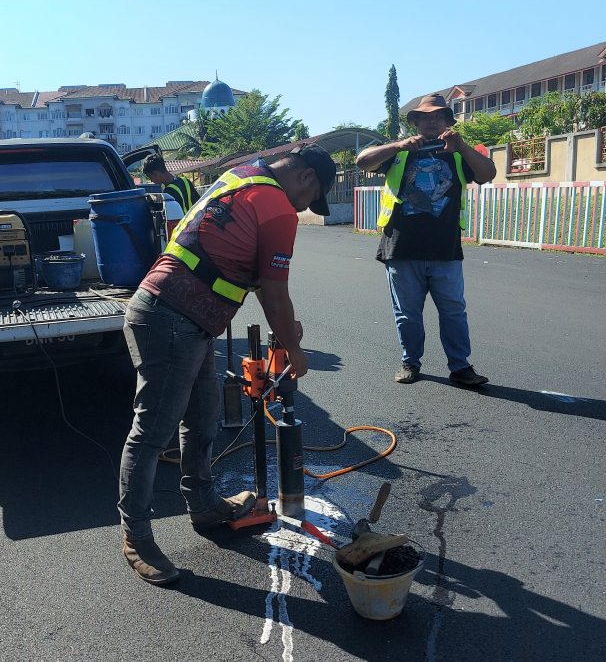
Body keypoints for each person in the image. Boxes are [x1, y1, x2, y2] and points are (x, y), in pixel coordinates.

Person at [119, 144, 336, 585]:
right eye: (309, 200)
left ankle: (203, 505)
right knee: (151, 433)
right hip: (172, 317)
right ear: (307, 178)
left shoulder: (242, 175)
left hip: (183, 315)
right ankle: (136, 538)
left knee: (203, 421)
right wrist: (294, 351)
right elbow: (274, 291)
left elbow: (235, 259)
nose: (304, 209)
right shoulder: (278, 207)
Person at [356, 94, 496, 387]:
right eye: (425, 117)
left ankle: (460, 367)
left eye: (438, 116)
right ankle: (410, 362)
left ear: (447, 121)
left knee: (454, 311)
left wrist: (462, 146)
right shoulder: (401, 152)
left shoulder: (458, 153)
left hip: (445, 249)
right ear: (416, 122)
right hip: (401, 248)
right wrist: (397, 144)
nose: (432, 121)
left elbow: (487, 174)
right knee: (406, 314)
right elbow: (362, 162)